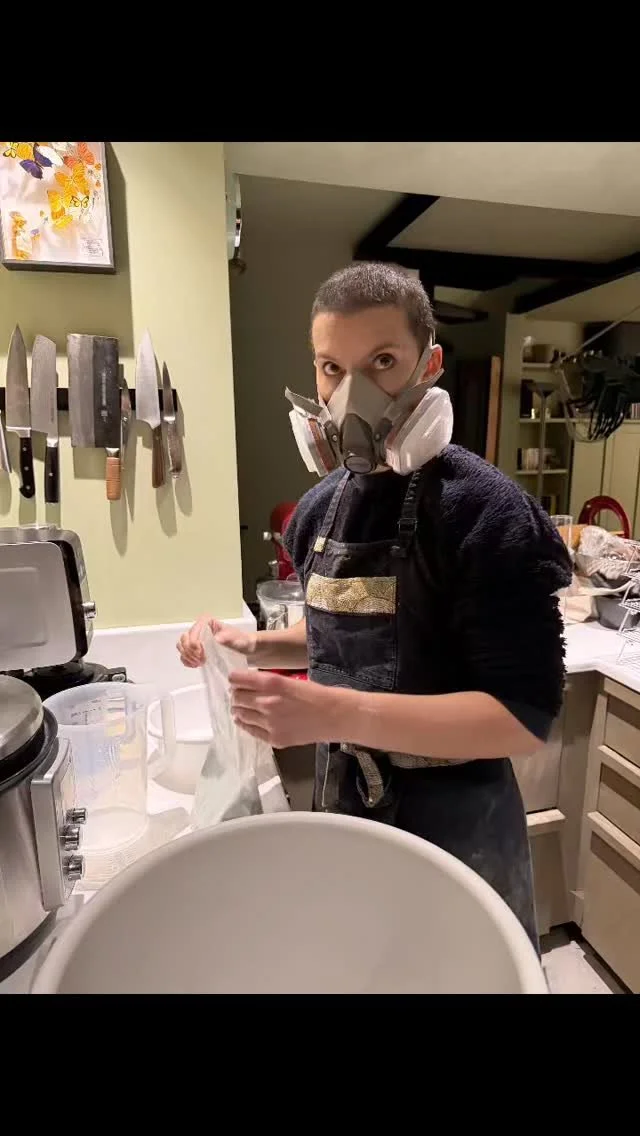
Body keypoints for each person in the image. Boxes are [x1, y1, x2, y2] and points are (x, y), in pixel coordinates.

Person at [178, 262, 572, 949]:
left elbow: (522, 719)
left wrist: (332, 712)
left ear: (430, 365)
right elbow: (358, 628)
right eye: (331, 368)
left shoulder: (488, 513)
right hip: (348, 803)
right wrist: (254, 645)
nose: (348, 395)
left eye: (382, 362)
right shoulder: (318, 511)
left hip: (459, 825)